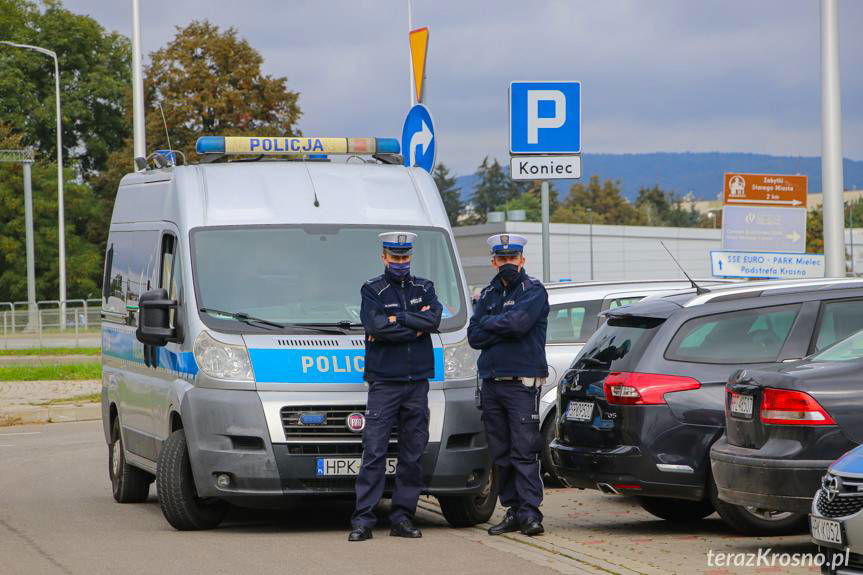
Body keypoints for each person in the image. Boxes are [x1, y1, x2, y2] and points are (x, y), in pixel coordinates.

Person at [348, 231, 443, 542]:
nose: (400, 263)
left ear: (410, 257)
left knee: (412, 455)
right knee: (374, 452)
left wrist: (397, 319)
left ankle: (403, 518)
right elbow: (375, 327)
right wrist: (413, 325)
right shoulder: (372, 289)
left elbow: (433, 323)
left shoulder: (424, 287)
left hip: (417, 383)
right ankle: (363, 520)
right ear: (384, 257)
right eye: (395, 257)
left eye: (404, 257)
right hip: (384, 383)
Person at [467, 233, 549, 537]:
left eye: (512, 258)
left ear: (522, 260)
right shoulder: (488, 294)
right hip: (492, 384)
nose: (507, 264)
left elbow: (519, 325)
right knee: (501, 453)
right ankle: (513, 510)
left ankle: (530, 514)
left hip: (521, 385)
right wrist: (502, 324)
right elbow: (474, 337)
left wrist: (492, 324)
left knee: (524, 451)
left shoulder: (533, 291)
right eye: (501, 259)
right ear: (493, 261)